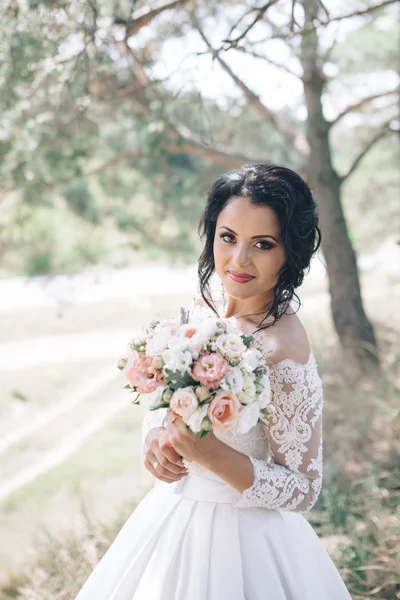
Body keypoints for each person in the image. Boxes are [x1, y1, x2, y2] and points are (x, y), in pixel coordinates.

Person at [75, 163, 352, 599]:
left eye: (262, 244)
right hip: (171, 520)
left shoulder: (282, 348)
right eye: (228, 238)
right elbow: (167, 399)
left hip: (246, 547)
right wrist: (155, 435)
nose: (239, 260)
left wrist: (211, 453)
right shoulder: (204, 309)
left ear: (291, 252)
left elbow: (303, 489)